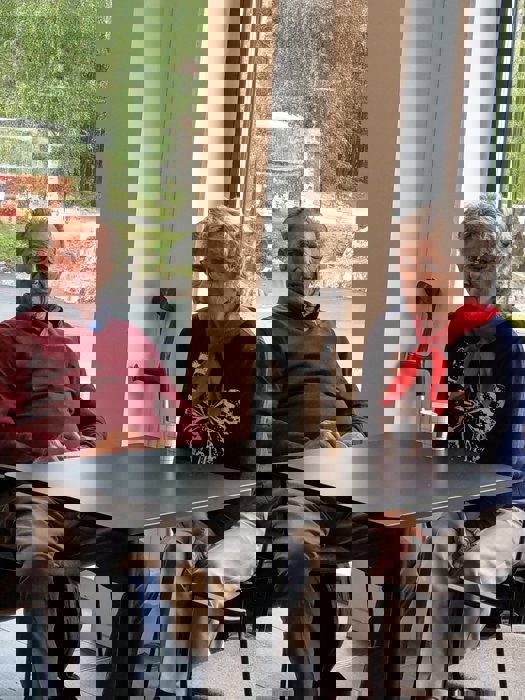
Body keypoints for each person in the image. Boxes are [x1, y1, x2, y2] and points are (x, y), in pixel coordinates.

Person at [254, 206, 419, 699]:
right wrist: (307, 452)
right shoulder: (269, 337)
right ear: (283, 259)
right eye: (296, 250)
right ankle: (307, 673)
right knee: (300, 554)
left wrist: (348, 443)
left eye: (312, 250)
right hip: (298, 484)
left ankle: (385, 676)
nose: (304, 261)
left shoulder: (330, 334)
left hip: (344, 481)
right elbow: (261, 424)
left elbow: (357, 413)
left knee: (407, 544)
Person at [0, 209, 148, 699]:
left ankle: (120, 683)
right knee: (44, 558)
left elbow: (88, 418)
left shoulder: (63, 344)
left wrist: (94, 447)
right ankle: (47, 683)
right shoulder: (5, 341)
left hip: (73, 487)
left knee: (145, 548)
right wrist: (61, 454)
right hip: (23, 489)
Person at [408, 201, 525, 697]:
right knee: (419, 570)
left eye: (489, 258)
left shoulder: (511, 339)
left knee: (475, 572)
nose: (480, 269)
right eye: (472, 257)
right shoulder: (444, 335)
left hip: (503, 498)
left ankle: (439, 673)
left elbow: (510, 436)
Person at [152, 207, 265, 699]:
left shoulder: (252, 344)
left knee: (205, 579)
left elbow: (253, 451)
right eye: (209, 258)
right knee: (158, 564)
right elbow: (176, 421)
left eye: (225, 258)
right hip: (188, 493)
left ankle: (190, 671)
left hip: (236, 503)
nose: (216, 270)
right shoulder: (190, 335)